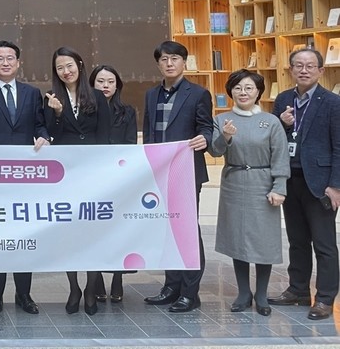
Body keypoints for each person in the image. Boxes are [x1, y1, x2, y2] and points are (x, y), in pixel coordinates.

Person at [0, 40, 50, 315]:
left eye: (10, 58)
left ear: (18, 62)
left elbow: (39, 124)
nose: (5, 62)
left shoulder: (32, 92)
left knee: (23, 235)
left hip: (25, 176)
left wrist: (43, 137)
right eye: (0, 58)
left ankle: (24, 294)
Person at [209, 69, 289, 316]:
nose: (243, 92)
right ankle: (243, 293)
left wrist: (279, 187)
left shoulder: (271, 121)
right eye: (237, 88)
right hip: (234, 183)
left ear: (258, 92)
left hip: (262, 183)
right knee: (238, 238)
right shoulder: (222, 120)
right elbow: (215, 151)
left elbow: (280, 155)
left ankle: (261, 294)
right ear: (230, 92)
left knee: (263, 240)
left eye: (248, 88)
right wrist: (225, 136)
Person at [269, 48, 340, 320]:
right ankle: (298, 290)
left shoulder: (332, 102)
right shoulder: (283, 99)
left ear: (321, 71)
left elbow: (339, 147)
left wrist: (335, 185)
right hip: (290, 179)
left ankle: (324, 298)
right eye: (298, 65)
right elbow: (274, 140)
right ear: (291, 70)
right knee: (297, 240)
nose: (304, 70)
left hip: (320, 184)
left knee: (324, 244)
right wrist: (282, 123)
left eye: (310, 66)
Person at [142, 40, 212, 313]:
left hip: (186, 171)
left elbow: (206, 127)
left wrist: (205, 139)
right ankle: (171, 287)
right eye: (164, 59)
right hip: (160, 172)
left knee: (187, 230)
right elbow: (149, 134)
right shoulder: (151, 95)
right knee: (166, 230)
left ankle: (190, 293)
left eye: (174, 58)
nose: (169, 63)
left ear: (184, 62)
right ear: (158, 64)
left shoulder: (198, 94)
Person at [44, 47, 110, 316]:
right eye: (60, 67)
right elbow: (51, 134)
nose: (66, 71)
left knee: (92, 232)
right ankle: (74, 287)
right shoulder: (51, 97)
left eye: (69, 65)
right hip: (66, 173)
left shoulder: (97, 96)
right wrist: (58, 114)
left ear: (80, 65)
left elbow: (105, 135)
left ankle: (91, 288)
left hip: (93, 173)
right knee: (69, 233)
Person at [89, 64, 138, 305]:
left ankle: (118, 278)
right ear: (92, 85)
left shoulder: (127, 111)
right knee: (95, 229)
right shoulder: (87, 111)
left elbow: (130, 144)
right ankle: (96, 277)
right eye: (100, 81)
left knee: (119, 229)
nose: (105, 86)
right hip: (92, 178)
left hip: (119, 178)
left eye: (110, 81)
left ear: (117, 85)